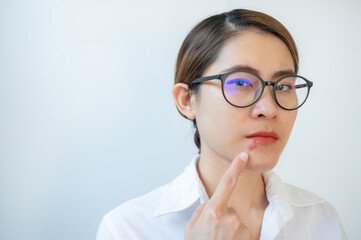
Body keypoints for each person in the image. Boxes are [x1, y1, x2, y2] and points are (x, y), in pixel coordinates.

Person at [96, 9, 347, 240]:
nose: (269, 109)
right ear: (187, 100)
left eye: (283, 86)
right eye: (240, 83)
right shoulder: (128, 228)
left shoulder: (322, 220)